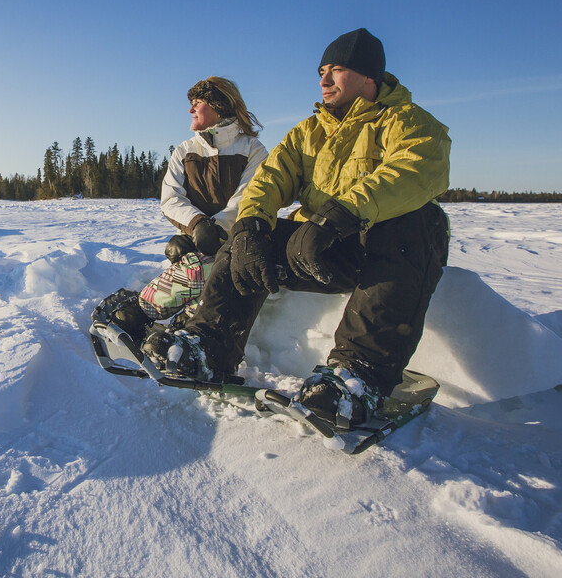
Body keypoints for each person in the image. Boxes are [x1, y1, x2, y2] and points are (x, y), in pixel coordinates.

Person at [142, 29, 451, 429]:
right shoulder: (308, 132)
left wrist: (336, 216)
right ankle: (210, 344)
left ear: (369, 77)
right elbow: (268, 182)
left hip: (386, 252)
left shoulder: (411, 123)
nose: (323, 80)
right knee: (246, 240)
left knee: (419, 221)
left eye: (336, 70)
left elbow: (412, 172)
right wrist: (251, 226)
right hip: (322, 249)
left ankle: (357, 375)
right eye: (321, 70)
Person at [92, 77, 268, 344]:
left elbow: (248, 198)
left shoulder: (252, 149)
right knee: (196, 267)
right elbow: (171, 197)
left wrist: (216, 229)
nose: (190, 109)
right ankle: (141, 313)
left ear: (219, 105)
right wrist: (196, 226)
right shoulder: (185, 151)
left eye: (197, 103)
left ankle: (178, 325)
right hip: (197, 240)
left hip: (238, 240)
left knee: (209, 271)